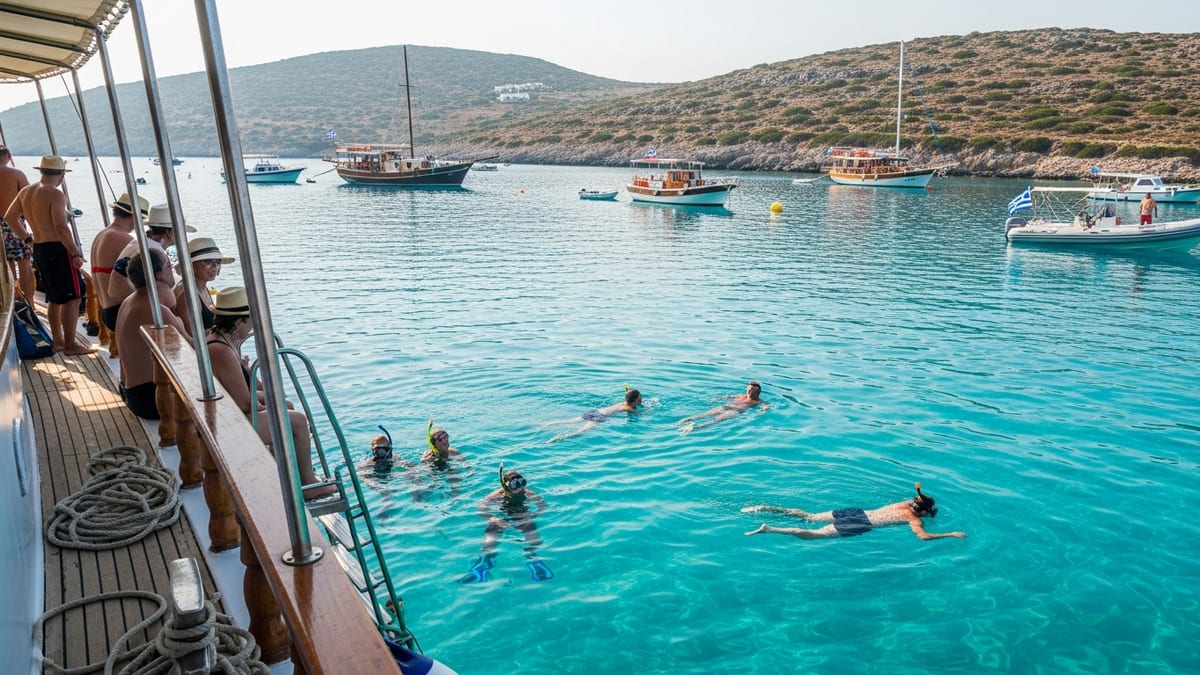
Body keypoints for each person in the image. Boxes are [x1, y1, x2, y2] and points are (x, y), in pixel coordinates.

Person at [205, 286, 337, 500]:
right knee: (297, 420)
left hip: (228, 413)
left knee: (287, 407)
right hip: (229, 424)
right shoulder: (221, 350)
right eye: (251, 320)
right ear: (239, 322)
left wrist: (270, 395)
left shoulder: (224, 340)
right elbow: (245, 403)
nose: (253, 326)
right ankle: (308, 484)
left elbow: (242, 388)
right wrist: (270, 403)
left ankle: (282, 470)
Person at [4, 155, 93, 354]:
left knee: (54, 298)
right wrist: (75, 252)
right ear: (61, 175)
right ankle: (70, 345)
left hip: (40, 248)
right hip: (58, 249)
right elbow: (61, 227)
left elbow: (9, 217)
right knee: (73, 298)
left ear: (42, 171)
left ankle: (58, 341)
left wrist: (27, 238)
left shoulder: (27, 191)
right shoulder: (55, 194)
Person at [742, 483, 966, 541]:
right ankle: (770, 529)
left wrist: (922, 499)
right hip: (862, 524)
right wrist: (950, 534)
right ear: (924, 511)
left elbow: (918, 499)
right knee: (815, 535)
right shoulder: (912, 518)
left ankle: (766, 508)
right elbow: (923, 537)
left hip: (856, 512)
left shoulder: (904, 504)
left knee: (808, 516)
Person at [114, 249, 188, 418]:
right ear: (157, 275)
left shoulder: (129, 301)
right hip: (150, 398)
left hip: (131, 393)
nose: (172, 268)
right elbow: (192, 347)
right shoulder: (157, 312)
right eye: (168, 265)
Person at [459, 466, 552, 583]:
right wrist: (493, 518)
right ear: (506, 486)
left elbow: (543, 506)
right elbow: (481, 508)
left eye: (522, 482)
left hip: (521, 516)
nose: (520, 487)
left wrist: (532, 516)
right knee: (491, 537)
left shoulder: (528, 493)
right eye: (515, 484)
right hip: (502, 516)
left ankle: (532, 558)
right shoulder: (498, 495)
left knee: (533, 534)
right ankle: (483, 562)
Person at [90, 192, 149, 341]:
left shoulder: (102, 235)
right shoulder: (124, 239)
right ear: (134, 217)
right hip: (120, 309)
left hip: (107, 309)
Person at [174, 236, 235, 335]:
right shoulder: (188, 295)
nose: (214, 267)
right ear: (192, 265)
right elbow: (194, 335)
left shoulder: (201, 288)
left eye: (217, 262)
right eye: (207, 262)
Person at [544, 386, 643, 441]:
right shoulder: (628, 408)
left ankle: (548, 424)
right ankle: (559, 438)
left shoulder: (623, 403)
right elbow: (639, 414)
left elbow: (629, 398)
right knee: (581, 432)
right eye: (640, 397)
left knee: (569, 421)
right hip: (600, 417)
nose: (641, 398)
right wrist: (649, 410)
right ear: (636, 400)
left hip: (596, 411)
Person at [0, 145, 33, 302]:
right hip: (14, 223)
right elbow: (29, 199)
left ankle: (11, 300)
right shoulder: (17, 174)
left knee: (7, 265)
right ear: (8, 157)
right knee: (24, 264)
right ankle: (29, 301)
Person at [678, 381, 766, 433]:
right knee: (704, 415)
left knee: (716, 421)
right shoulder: (741, 396)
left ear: (757, 392)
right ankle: (684, 421)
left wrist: (763, 409)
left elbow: (766, 405)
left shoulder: (757, 401)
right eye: (748, 390)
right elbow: (728, 396)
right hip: (725, 407)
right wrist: (718, 399)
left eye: (751, 391)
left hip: (734, 411)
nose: (748, 392)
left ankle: (694, 428)